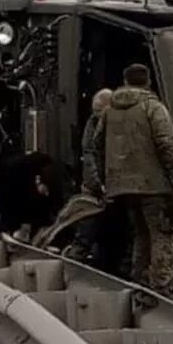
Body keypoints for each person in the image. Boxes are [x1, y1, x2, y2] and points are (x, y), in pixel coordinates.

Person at [95, 64, 173, 292]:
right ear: (148, 82)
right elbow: (166, 143)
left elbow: (97, 146)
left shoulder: (109, 111)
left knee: (140, 233)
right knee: (161, 234)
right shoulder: (152, 107)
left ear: (125, 81)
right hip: (153, 184)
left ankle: (139, 282)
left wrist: (106, 178)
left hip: (121, 186)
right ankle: (160, 287)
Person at [63, 88, 113, 262]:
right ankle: (78, 255)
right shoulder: (92, 124)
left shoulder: (115, 124)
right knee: (87, 223)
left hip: (111, 184)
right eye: (94, 110)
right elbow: (89, 155)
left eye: (99, 110)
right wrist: (99, 183)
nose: (96, 114)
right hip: (96, 186)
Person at [0, 151, 67, 239]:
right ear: (38, 180)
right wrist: (15, 225)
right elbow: (11, 204)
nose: (46, 195)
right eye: (45, 191)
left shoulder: (51, 177)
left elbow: (46, 213)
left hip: (16, 194)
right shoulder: (18, 172)